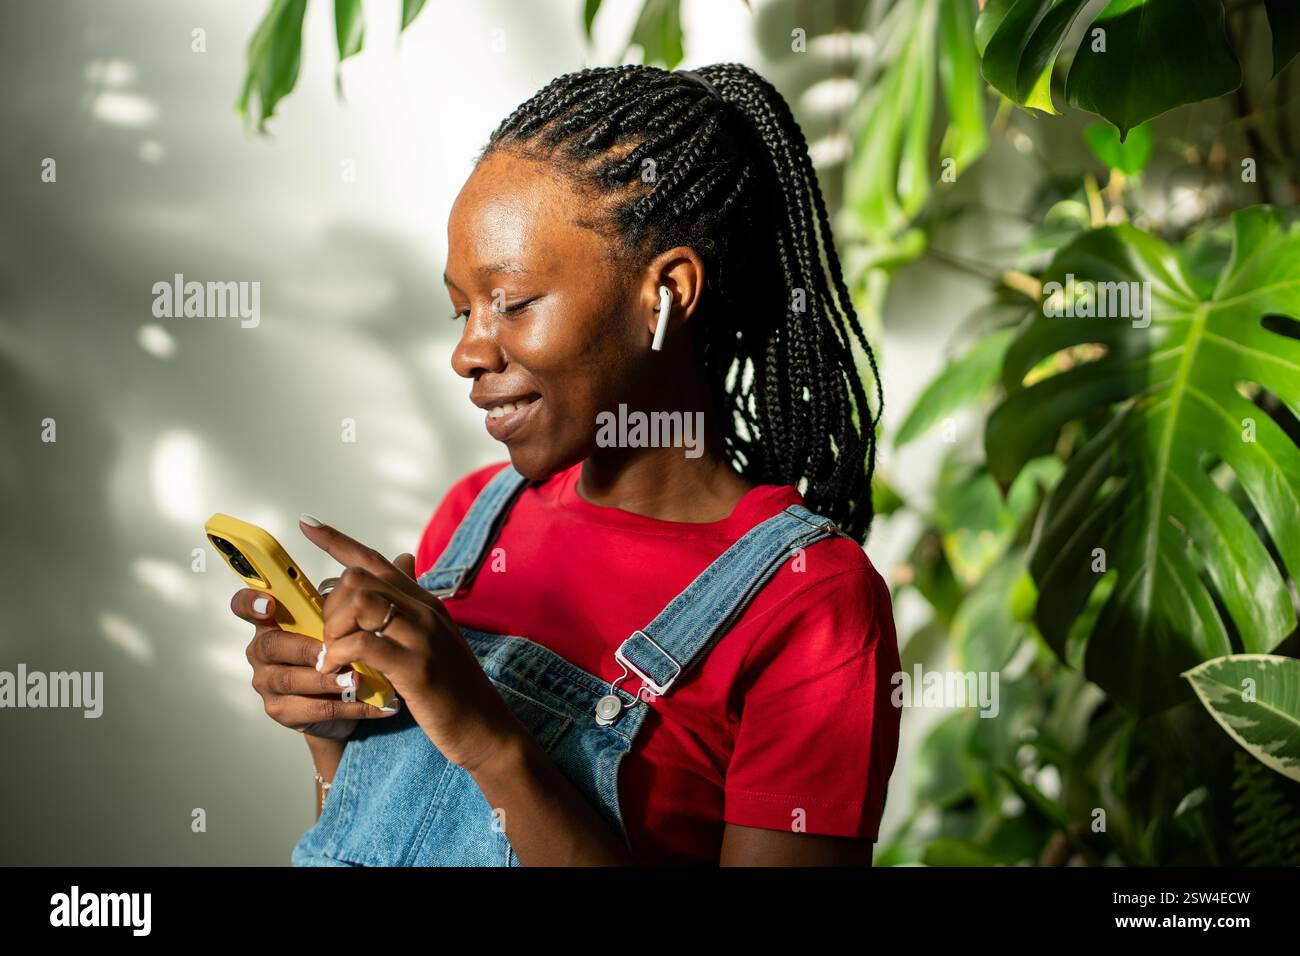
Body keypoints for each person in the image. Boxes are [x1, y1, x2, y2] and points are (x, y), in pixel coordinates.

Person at [230, 62, 900, 866]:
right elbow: (368, 839)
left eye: (510, 302)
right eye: (461, 309)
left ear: (666, 295)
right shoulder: (475, 518)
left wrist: (489, 738)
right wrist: (337, 734)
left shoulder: (810, 604)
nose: (468, 351)